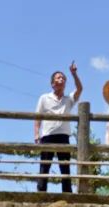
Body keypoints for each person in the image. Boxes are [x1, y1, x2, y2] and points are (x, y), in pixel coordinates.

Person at [34, 61, 83, 193]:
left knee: (65, 166)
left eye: (63, 78)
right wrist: (36, 135)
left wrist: (74, 74)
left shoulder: (69, 99)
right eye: (58, 77)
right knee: (44, 166)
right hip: (47, 136)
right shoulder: (44, 98)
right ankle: (41, 193)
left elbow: (79, 89)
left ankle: (67, 194)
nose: (61, 79)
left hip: (63, 136)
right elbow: (37, 117)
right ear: (52, 83)